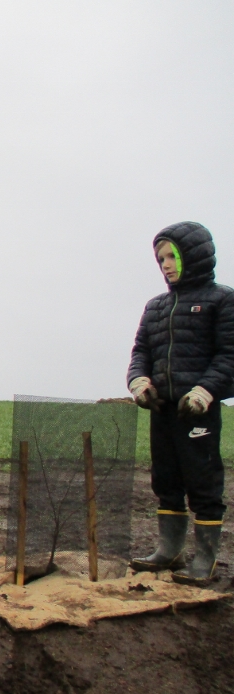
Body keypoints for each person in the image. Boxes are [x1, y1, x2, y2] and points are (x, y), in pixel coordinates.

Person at [128, 222, 234, 587]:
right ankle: (168, 550)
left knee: (203, 483)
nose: (166, 264)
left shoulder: (222, 299)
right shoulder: (156, 307)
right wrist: (138, 381)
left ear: (196, 255)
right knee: (166, 480)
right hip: (163, 411)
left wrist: (205, 391)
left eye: (172, 255)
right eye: (160, 258)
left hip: (198, 410)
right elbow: (141, 352)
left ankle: (204, 559)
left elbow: (229, 356)